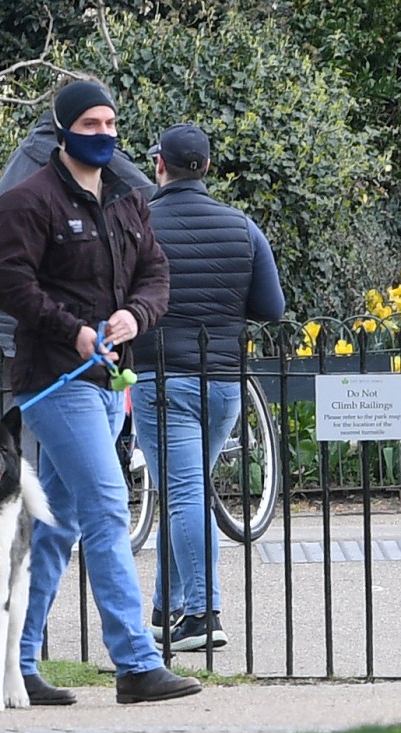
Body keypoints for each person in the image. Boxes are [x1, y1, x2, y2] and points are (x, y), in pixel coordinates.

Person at [0, 78, 202, 705]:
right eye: (90, 125)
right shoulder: (26, 203)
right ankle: (135, 662)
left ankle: (16, 662)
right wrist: (74, 331)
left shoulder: (131, 200)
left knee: (59, 522)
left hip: (111, 381)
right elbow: (11, 287)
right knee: (110, 506)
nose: (104, 134)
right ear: (62, 129)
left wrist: (137, 314)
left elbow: (156, 274)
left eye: (111, 123)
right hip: (56, 381)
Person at [131, 124, 285, 651]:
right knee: (187, 490)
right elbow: (271, 308)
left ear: (159, 166)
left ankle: (202, 614)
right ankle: (164, 610)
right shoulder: (242, 228)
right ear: (208, 168)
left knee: (182, 493)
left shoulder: (139, 224)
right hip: (223, 384)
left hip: (161, 378)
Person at [0, 107, 156, 459]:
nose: (103, 130)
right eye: (95, 119)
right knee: (70, 461)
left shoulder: (25, 152)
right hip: (53, 330)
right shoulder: (88, 159)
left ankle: (25, 512)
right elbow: (150, 200)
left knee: (16, 444)